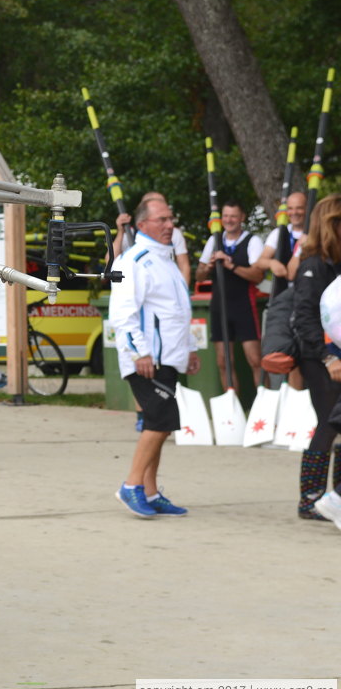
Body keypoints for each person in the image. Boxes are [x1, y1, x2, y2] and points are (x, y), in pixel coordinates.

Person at [109, 199, 201, 518]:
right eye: (162, 219)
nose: (169, 224)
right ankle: (132, 485)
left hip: (169, 359)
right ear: (142, 224)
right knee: (161, 423)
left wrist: (188, 348)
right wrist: (140, 352)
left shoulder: (168, 260)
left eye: (170, 218)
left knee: (157, 423)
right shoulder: (133, 260)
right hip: (147, 359)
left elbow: (176, 311)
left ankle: (149, 492)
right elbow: (123, 313)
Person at [280, 195, 341, 521]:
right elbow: (304, 317)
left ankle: (335, 495)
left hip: (337, 355)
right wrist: (327, 358)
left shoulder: (336, 262)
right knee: (329, 423)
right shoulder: (313, 266)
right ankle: (311, 497)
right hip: (320, 358)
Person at [195, 200, 264, 389]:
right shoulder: (214, 240)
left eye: (233, 216)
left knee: (255, 360)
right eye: (225, 216)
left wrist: (229, 264)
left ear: (241, 218)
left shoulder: (253, 241)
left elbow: (257, 275)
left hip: (244, 306)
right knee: (223, 362)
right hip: (219, 307)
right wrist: (208, 266)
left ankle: (264, 411)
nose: (229, 220)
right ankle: (232, 411)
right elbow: (199, 276)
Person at [111, 191, 191, 286]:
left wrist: (183, 292)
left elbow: (184, 266)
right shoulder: (130, 234)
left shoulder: (175, 233)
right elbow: (111, 261)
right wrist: (120, 231)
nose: (169, 225)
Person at [259, 191, 307, 282]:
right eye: (290, 208)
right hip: (284, 287)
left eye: (299, 208)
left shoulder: (316, 232)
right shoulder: (278, 233)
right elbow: (260, 261)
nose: (294, 212)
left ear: (307, 208)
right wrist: (271, 263)